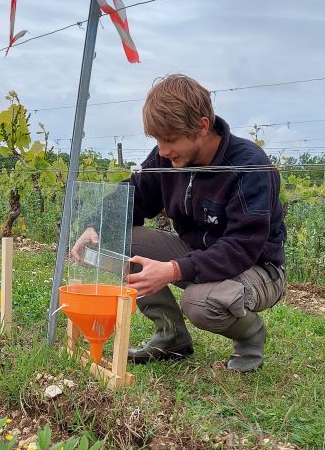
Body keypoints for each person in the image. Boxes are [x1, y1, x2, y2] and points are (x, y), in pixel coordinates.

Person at [72, 74, 286, 372]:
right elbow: (135, 193)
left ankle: (251, 338)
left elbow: (242, 246)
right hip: (195, 252)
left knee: (200, 303)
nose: (162, 150)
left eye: (170, 139)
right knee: (121, 239)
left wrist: (173, 270)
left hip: (257, 268)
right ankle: (170, 336)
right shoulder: (166, 159)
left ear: (201, 126)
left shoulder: (249, 166)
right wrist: (97, 226)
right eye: (157, 140)